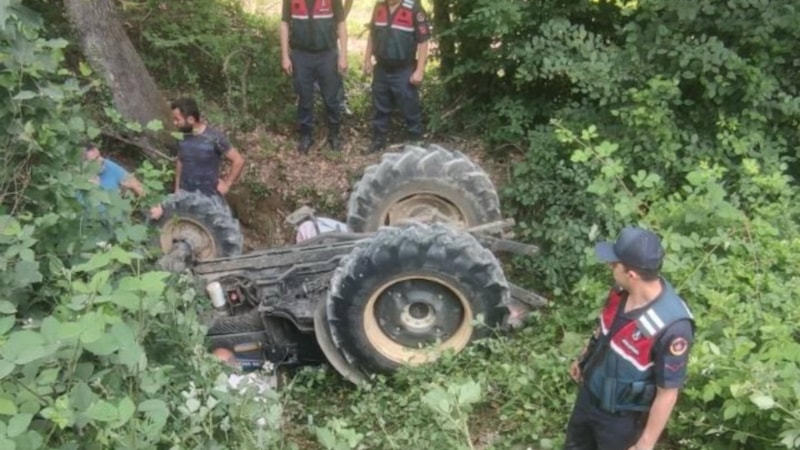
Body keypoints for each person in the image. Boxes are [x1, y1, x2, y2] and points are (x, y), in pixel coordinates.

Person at [564, 226, 695, 450]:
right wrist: (584, 358)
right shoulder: (619, 291)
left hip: (621, 421)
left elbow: (668, 393)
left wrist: (645, 444)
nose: (610, 266)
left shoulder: (673, 327)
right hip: (588, 398)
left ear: (631, 275)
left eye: (615, 264)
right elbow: (605, 330)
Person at [280, 0, 348, 154]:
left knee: (332, 98)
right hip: (301, 54)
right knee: (304, 97)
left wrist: (343, 55)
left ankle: (334, 134)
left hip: (327, 54)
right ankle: (306, 135)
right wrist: (285, 55)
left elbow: (341, 23)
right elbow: (284, 23)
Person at [363, 0, 431, 153]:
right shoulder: (379, 7)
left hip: (404, 69)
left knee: (409, 105)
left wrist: (420, 70)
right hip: (381, 67)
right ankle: (378, 141)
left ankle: (415, 141)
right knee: (380, 106)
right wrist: (367, 59)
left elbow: (424, 41)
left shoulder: (413, 8)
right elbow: (372, 34)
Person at [170, 98, 245, 197]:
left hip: (209, 197)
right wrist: (177, 189)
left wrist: (227, 184)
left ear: (191, 119)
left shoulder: (213, 137)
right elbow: (180, 161)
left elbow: (238, 160)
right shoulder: (181, 136)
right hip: (186, 196)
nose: (174, 123)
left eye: (177, 119)